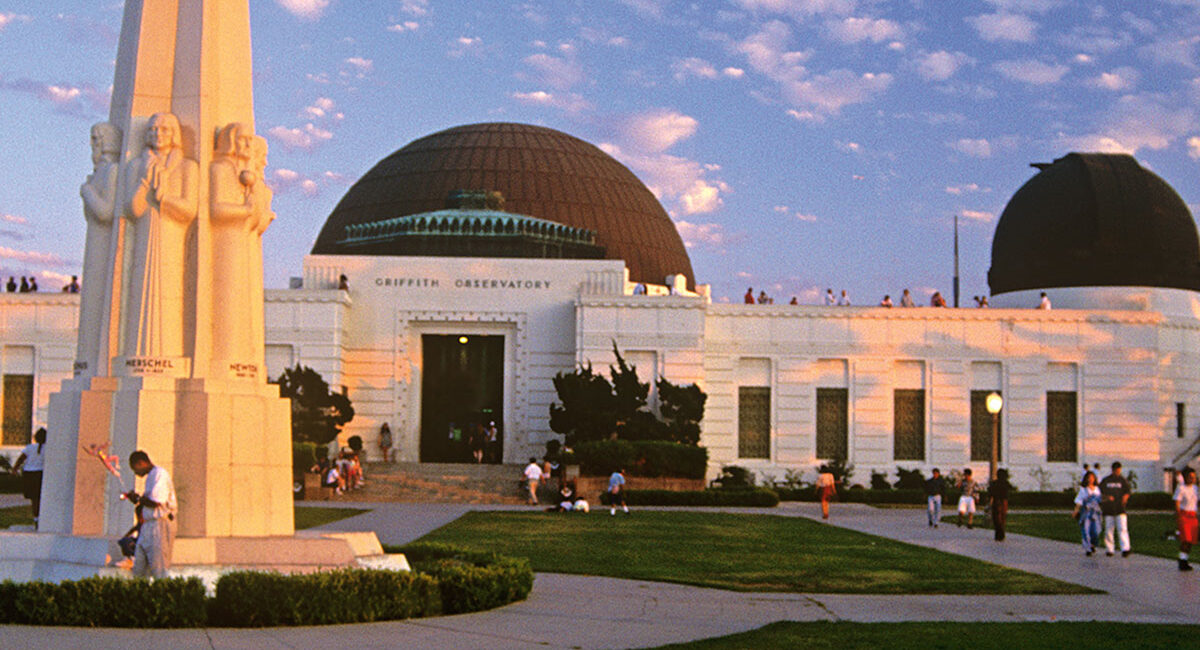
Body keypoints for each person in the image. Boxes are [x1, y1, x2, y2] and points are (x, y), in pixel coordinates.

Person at [123, 451, 177, 579]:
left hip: (160, 525)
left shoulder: (159, 474)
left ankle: (164, 594)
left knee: (159, 569)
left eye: (135, 469)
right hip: (147, 526)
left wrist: (138, 498)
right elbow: (146, 503)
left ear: (141, 463)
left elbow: (156, 502)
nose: (135, 473)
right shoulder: (151, 477)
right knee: (139, 570)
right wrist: (136, 500)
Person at [12, 427, 47, 527]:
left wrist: (14, 469)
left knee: (34, 498)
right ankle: (41, 517)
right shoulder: (48, 449)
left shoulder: (30, 447)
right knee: (41, 497)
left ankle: (36, 518)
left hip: (29, 474)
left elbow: (21, 459)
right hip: (40, 473)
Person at [1099, 461, 1132, 557]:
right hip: (1108, 508)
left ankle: (1125, 548)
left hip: (1120, 508)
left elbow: (1127, 491)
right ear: (1112, 470)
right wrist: (1106, 497)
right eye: (1116, 471)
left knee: (1122, 528)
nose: (1117, 473)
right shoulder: (1106, 480)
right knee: (1109, 530)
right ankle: (1110, 549)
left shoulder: (1122, 480)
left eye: (1119, 471)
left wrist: (1125, 497)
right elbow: (1100, 493)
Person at [1072, 471, 1103, 556]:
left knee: (1096, 530)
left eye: (1092, 478)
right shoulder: (1083, 490)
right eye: (1088, 478)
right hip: (1086, 513)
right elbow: (1079, 501)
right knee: (1086, 530)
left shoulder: (1097, 489)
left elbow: (1100, 500)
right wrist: (1076, 511)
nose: (1090, 479)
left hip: (1096, 513)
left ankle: (1093, 544)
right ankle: (1088, 548)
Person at [1174, 467, 1198, 571]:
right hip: (1184, 515)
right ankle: (1182, 560)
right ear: (1185, 477)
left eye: (1194, 477)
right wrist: (1178, 515)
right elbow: (1177, 503)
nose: (1192, 479)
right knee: (1186, 539)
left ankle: (1185, 559)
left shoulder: (1196, 488)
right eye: (1190, 477)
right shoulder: (1181, 488)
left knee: (1191, 540)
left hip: (1193, 516)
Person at [989, 468, 1012, 541]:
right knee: (1002, 518)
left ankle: (998, 534)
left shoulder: (994, 483)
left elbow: (990, 493)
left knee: (996, 518)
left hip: (996, 501)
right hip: (1004, 502)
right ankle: (1001, 533)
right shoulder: (1006, 483)